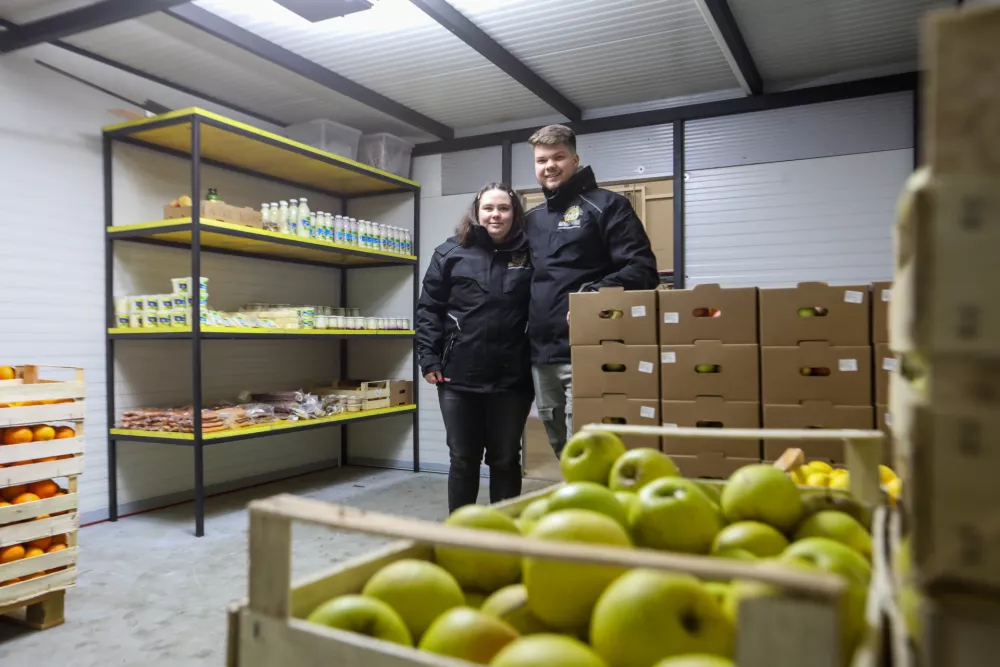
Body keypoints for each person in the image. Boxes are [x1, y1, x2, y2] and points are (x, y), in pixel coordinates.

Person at [525, 124, 660, 458]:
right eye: (542, 160)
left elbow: (643, 268)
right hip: (542, 356)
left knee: (588, 447)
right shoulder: (531, 219)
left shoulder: (607, 206)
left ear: (575, 159)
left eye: (558, 157)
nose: (549, 166)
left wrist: (593, 294)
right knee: (562, 447)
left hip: (589, 349)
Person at [416, 183, 534, 512]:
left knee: (505, 457)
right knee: (463, 458)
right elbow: (428, 309)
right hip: (458, 376)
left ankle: (506, 531)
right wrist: (428, 358)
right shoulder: (450, 252)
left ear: (514, 213)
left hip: (513, 377)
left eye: (504, 208)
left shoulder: (530, 253)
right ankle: (461, 533)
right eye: (489, 208)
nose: (496, 215)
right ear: (477, 212)